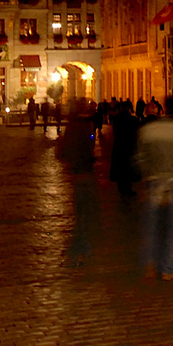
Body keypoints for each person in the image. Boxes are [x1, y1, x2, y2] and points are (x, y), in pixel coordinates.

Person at [134, 100, 173, 280]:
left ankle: (149, 263)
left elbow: (140, 157)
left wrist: (147, 174)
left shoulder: (148, 129)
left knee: (151, 225)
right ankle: (168, 268)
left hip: (154, 181)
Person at [57, 100, 99, 266]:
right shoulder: (84, 125)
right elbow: (88, 142)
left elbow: (66, 150)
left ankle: (79, 248)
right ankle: (82, 249)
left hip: (78, 172)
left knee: (82, 214)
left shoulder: (73, 125)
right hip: (85, 171)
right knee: (86, 214)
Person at [109, 101, 141, 202]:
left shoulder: (116, 119)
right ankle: (128, 188)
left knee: (120, 168)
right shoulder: (134, 120)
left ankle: (121, 188)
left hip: (119, 146)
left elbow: (115, 131)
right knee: (128, 168)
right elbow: (137, 132)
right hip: (130, 146)